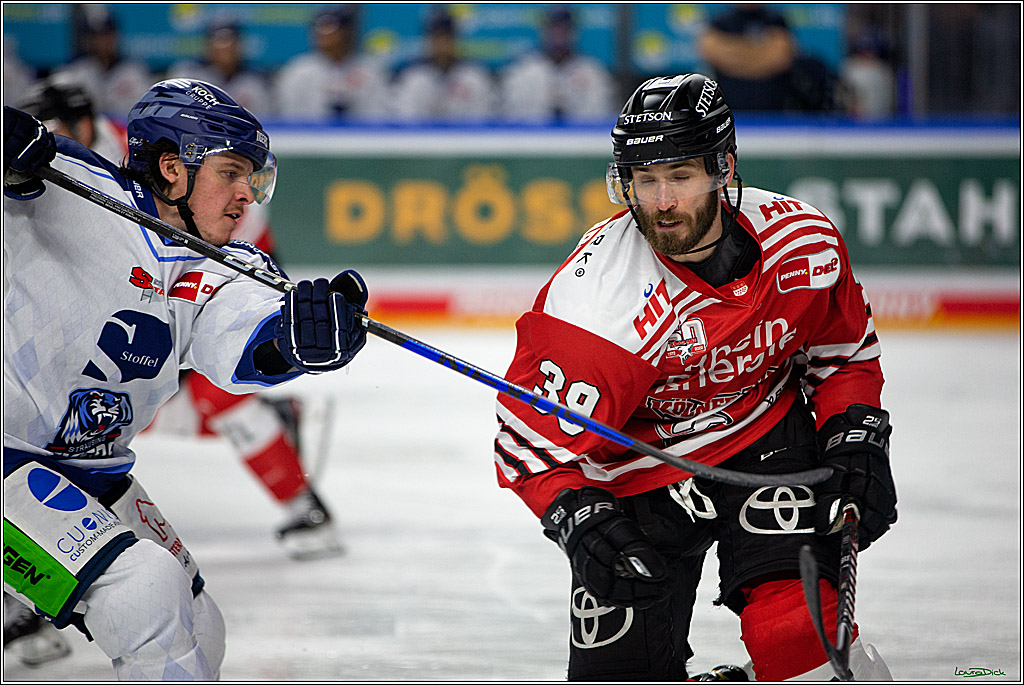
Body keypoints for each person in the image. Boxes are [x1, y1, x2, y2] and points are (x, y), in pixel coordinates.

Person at [492, 73, 897, 680]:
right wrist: (578, 516)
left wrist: (855, 434)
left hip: (762, 439)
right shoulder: (595, 306)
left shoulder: (801, 244)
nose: (661, 202)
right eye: (644, 179)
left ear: (723, 167)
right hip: (634, 474)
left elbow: (841, 354)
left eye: (679, 176)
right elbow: (527, 445)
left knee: (795, 633)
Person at [3, 78, 370, 679]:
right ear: (172, 168)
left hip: (91, 468)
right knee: (141, 590)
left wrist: (298, 342)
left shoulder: (224, 263)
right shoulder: (59, 184)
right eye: (231, 173)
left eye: (253, 177)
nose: (247, 194)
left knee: (199, 626)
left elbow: (242, 340)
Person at [499, 6, 617, 123]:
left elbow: (605, 120)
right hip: (533, 134)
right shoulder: (521, 72)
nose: (559, 33)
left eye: (565, 28)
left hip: (580, 134)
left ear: (574, 32)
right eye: (554, 27)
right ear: (543, 31)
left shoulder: (595, 74)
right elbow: (508, 120)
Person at [273, 5, 390, 120]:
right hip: (307, 131)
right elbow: (287, 115)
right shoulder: (298, 71)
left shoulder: (370, 71)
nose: (326, 37)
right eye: (321, 30)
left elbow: (379, 116)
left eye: (332, 30)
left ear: (348, 32)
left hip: (360, 131)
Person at [390, 9, 495, 122]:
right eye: (437, 38)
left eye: (447, 37)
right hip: (422, 133)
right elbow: (405, 122)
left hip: (466, 133)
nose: (442, 44)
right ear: (428, 40)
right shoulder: (413, 77)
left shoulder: (474, 76)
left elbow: (483, 121)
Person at [54, 8, 153, 120]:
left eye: (107, 35)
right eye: (97, 36)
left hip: (124, 129)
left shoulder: (135, 73)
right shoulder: (77, 73)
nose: (103, 42)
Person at [166, 18, 273, 118]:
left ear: (239, 44)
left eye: (229, 40)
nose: (225, 48)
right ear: (207, 44)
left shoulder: (255, 79)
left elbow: (268, 120)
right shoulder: (188, 76)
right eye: (219, 41)